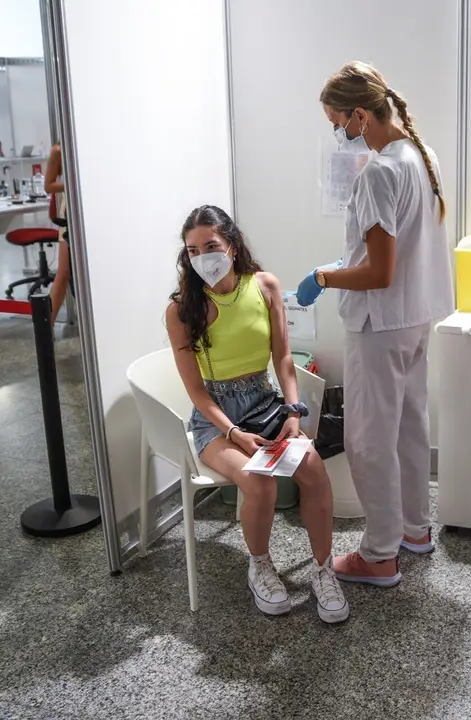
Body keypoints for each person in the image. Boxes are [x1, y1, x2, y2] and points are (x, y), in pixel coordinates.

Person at [295, 61, 454, 588]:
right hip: (415, 319)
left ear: (360, 115)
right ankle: (415, 530)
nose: (337, 134)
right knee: (410, 428)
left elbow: (379, 271)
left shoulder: (381, 170)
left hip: (381, 325)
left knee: (367, 441)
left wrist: (325, 275)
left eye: (337, 121)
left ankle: (379, 554)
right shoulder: (420, 155)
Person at [166, 205, 348, 622]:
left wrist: (292, 412)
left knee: (314, 469)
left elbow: (283, 358)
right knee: (258, 482)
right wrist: (233, 433)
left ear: (231, 246)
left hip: (265, 404)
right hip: (215, 419)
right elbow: (196, 392)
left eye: (210, 246)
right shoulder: (181, 310)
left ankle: (323, 570)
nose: (202, 257)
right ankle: (260, 565)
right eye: (192, 251)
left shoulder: (264, 286)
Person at [44, 144, 70, 324]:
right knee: (63, 273)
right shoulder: (58, 151)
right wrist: (73, 182)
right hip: (70, 213)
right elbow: (48, 185)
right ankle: (45, 329)